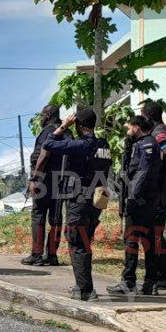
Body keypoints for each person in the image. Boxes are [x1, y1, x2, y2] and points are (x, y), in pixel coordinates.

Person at [41, 108, 113, 301]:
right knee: (84, 242)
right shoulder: (103, 144)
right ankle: (83, 285)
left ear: (79, 126)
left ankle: (85, 290)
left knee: (76, 241)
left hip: (79, 199)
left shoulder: (80, 144)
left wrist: (64, 126)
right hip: (96, 200)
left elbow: (48, 144)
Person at [107, 116, 162, 295]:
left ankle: (129, 281)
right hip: (148, 199)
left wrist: (131, 197)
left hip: (140, 201)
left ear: (136, 127)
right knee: (148, 241)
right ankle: (150, 282)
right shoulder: (146, 143)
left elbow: (143, 172)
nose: (127, 130)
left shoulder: (146, 144)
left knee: (132, 240)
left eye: (129, 127)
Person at [142, 101, 166, 289]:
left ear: (148, 117)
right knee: (154, 231)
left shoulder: (159, 133)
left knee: (154, 231)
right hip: (158, 190)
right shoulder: (156, 132)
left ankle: (163, 273)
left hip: (161, 191)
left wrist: (165, 189)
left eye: (142, 116)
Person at [23, 104, 69, 267]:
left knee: (38, 216)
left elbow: (40, 156)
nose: (41, 118)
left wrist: (34, 178)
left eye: (42, 115)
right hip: (63, 181)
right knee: (56, 218)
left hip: (45, 180)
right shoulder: (68, 133)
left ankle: (37, 254)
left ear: (49, 115)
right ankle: (52, 255)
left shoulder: (47, 132)